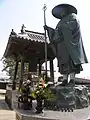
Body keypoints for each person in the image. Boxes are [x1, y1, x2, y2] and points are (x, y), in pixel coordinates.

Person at [44, 4, 88, 86]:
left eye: (62, 11)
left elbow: (74, 24)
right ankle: (64, 79)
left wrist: (63, 26)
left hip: (69, 43)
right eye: (60, 12)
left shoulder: (72, 16)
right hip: (61, 44)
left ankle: (72, 79)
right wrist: (49, 29)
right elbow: (56, 32)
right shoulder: (60, 21)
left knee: (70, 61)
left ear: (67, 10)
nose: (61, 13)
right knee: (62, 62)